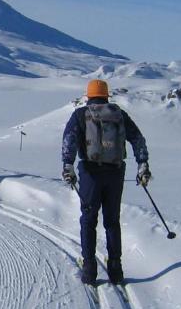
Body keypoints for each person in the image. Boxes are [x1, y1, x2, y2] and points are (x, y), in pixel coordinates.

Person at [61, 79, 151, 285]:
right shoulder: (118, 114)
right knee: (112, 220)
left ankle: (90, 269)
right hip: (115, 172)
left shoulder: (81, 115)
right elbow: (138, 138)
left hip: (90, 173)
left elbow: (69, 140)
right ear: (106, 95)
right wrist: (143, 164)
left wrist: (68, 165)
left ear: (89, 95)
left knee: (88, 218)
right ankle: (116, 268)